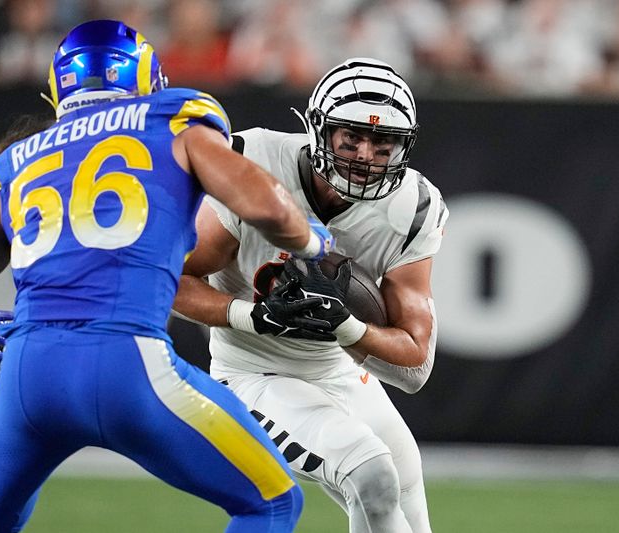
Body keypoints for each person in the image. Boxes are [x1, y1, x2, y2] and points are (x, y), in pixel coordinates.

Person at [0, 19, 338, 533]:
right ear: (146, 77)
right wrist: (313, 241)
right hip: (125, 364)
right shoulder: (173, 122)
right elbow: (267, 206)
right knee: (270, 502)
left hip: (27, 371)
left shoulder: (22, 161)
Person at [174, 57, 447, 533]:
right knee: (371, 473)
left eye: (383, 143)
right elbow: (170, 279)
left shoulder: (411, 207)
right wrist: (250, 316)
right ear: (318, 129)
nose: (365, 155)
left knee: (407, 505)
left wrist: (347, 326)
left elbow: (414, 365)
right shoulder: (255, 164)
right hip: (254, 374)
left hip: (341, 371)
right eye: (352, 138)